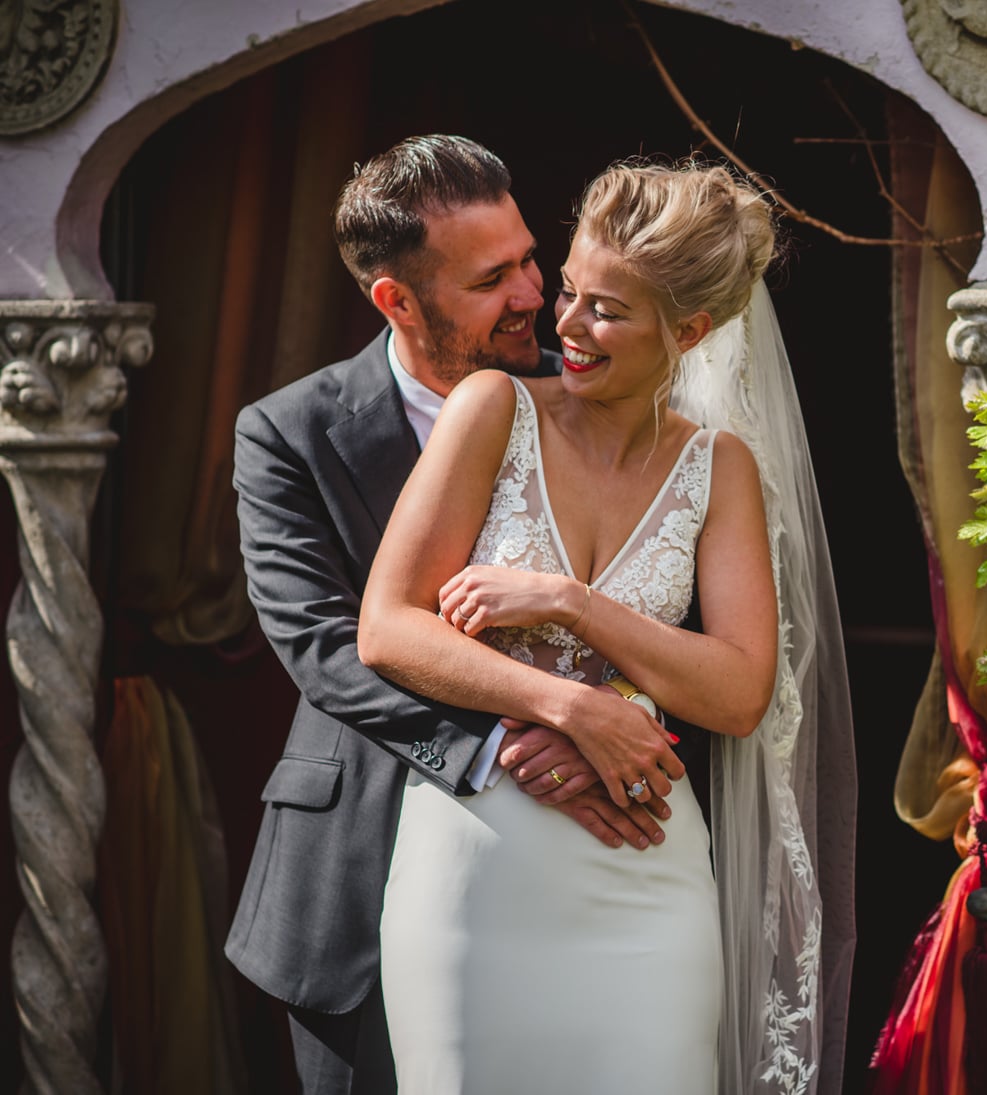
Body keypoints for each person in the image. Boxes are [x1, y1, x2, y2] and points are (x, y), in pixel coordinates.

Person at [357, 161, 857, 1093]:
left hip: (646, 880)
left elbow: (742, 689)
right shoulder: (492, 411)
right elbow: (387, 628)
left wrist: (570, 601)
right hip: (476, 872)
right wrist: (571, 708)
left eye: (607, 311)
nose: (568, 325)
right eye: (573, 291)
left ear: (691, 332)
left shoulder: (721, 469)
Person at [227, 134, 673, 1095]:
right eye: (490, 280)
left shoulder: (601, 394)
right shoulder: (286, 434)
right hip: (354, 875)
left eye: (527, 259)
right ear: (396, 299)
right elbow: (326, 648)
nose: (532, 296)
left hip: (586, 876)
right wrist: (526, 731)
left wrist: (619, 709)